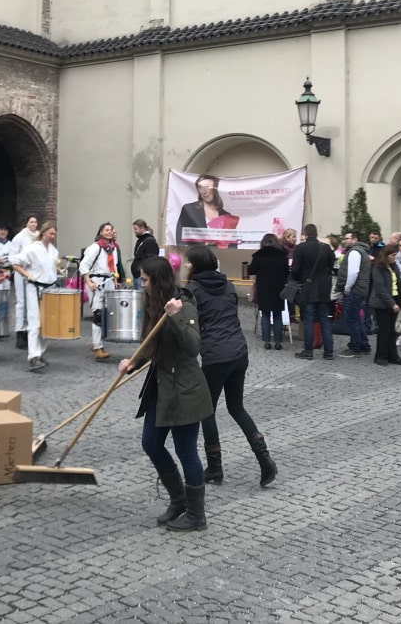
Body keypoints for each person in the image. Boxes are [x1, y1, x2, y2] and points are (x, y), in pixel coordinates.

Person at [121, 255, 213, 532]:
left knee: (187, 452)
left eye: (146, 280)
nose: (142, 284)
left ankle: (197, 515)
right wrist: (133, 362)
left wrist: (174, 317)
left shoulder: (182, 305)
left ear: (158, 280)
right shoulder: (153, 305)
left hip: (185, 390)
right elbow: (152, 347)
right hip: (160, 388)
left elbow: (193, 347)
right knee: (151, 443)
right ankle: (178, 500)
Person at [185, 246, 277, 489]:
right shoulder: (227, 285)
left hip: (215, 356)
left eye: (188, 263)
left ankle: (215, 467)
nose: (185, 266)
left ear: (196, 265)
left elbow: (191, 323)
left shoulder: (192, 290)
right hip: (238, 351)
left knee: (206, 411)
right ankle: (263, 457)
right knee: (237, 408)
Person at [11, 220, 61, 373]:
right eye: (51, 233)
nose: (53, 236)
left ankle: (40, 352)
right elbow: (15, 263)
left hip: (49, 288)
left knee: (47, 323)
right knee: (34, 322)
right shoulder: (32, 248)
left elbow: (52, 266)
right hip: (34, 287)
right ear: (44, 233)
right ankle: (33, 357)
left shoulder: (53, 251)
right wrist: (28, 275)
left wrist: (58, 270)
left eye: (54, 234)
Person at [290, 224, 336, 360]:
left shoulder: (301, 248)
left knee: (308, 320)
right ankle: (328, 352)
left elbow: (295, 270)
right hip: (323, 289)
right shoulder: (325, 248)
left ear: (305, 234)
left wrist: (300, 280)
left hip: (307, 289)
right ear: (316, 234)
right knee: (325, 320)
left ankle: (308, 351)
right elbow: (331, 266)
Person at [79, 222, 123, 363]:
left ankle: (96, 341)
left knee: (108, 313)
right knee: (98, 313)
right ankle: (98, 348)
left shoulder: (113, 249)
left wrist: (115, 279)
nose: (109, 232)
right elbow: (84, 265)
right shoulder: (95, 247)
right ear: (101, 232)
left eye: (111, 229)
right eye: (106, 230)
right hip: (96, 282)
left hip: (109, 281)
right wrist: (89, 282)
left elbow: (114, 266)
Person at [368, 245, 401, 367]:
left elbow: (399, 285)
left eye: (396, 255)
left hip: (394, 299)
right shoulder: (377, 268)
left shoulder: (394, 267)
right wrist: (392, 304)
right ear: (386, 255)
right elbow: (380, 289)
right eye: (392, 255)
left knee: (392, 331)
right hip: (382, 303)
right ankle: (380, 356)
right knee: (384, 330)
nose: (395, 257)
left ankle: (392, 355)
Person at [248, 233, 288, 349]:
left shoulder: (259, 256)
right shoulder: (282, 256)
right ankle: (278, 342)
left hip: (264, 288)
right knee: (277, 314)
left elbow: (251, 270)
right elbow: (287, 272)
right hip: (278, 288)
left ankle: (266, 341)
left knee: (265, 314)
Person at [337, 230, 372, 357]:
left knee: (352, 319)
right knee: (357, 318)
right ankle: (364, 344)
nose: (345, 241)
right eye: (345, 238)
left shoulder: (354, 252)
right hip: (360, 289)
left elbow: (353, 272)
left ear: (355, 240)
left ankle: (355, 346)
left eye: (347, 238)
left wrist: (347, 287)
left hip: (354, 290)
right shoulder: (362, 252)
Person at [176, 175, 239, 246]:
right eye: (200, 187)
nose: (204, 191)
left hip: (221, 255)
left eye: (207, 187)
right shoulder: (189, 209)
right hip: (196, 255)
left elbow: (233, 244)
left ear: (215, 189)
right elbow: (180, 238)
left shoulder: (226, 216)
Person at [10, 216, 40, 349]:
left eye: (35, 222)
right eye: (31, 222)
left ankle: (31, 331)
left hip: (34, 273)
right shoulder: (20, 237)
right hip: (20, 271)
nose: (33, 224)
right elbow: (12, 255)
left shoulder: (39, 236)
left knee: (33, 303)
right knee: (21, 302)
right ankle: (20, 332)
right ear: (26, 223)